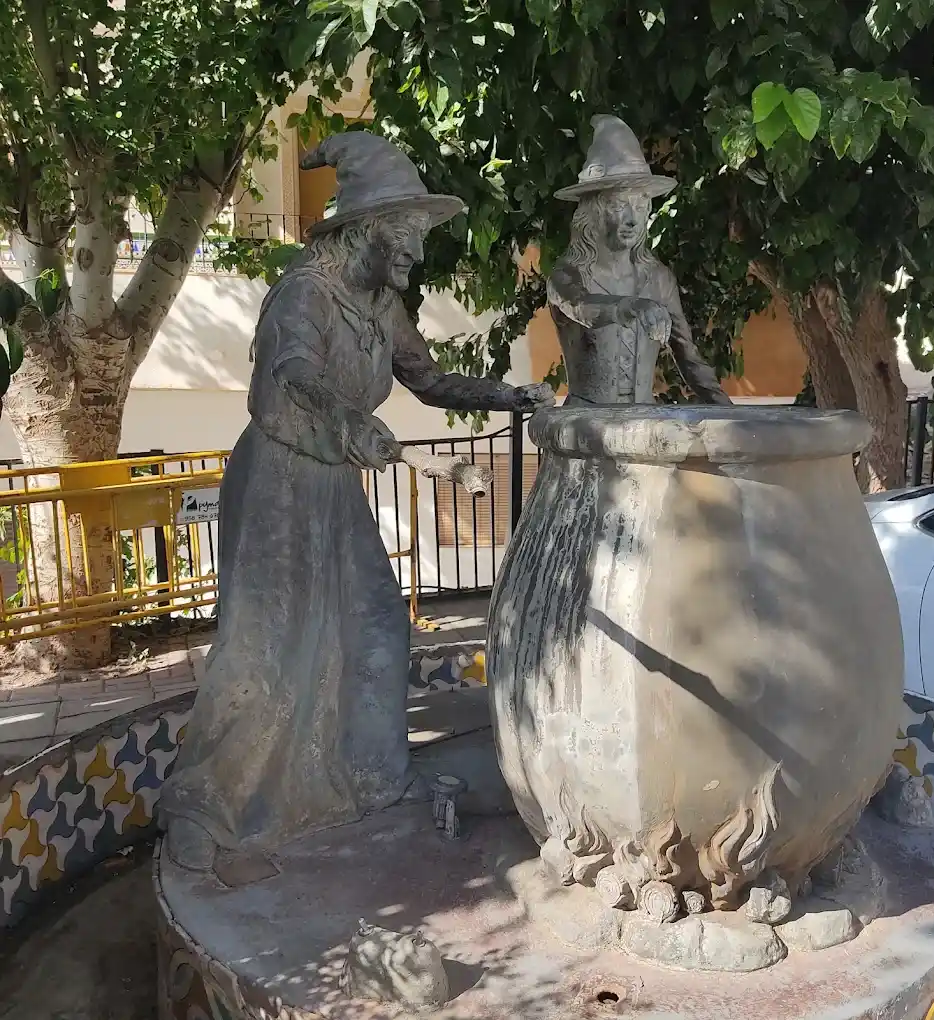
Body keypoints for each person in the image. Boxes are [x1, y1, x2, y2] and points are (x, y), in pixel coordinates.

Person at [160, 133, 553, 871]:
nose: (413, 253)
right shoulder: (305, 292)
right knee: (266, 647)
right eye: (405, 237)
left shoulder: (383, 302)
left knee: (376, 626)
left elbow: (429, 380)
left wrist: (511, 396)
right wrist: (345, 419)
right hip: (280, 481)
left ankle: (371, 780)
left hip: (334, 486)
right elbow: (295, 371)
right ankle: (206, 806)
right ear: (367, 228)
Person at [548, 115, 732, 406]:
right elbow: (581, 307)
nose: (633, 219)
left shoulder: (658, 279)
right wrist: (629, 306)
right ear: (593, 213)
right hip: (586, 427)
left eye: (641, 205)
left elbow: (689, 359)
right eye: (620, 205)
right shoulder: (568, 275)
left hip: (644, 426)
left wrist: (734, 418)